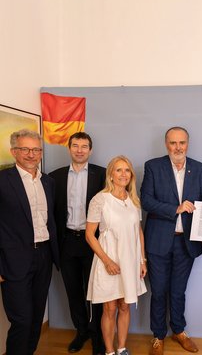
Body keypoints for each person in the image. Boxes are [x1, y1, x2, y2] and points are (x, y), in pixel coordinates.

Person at [141, 126, 202, 355]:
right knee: (159, 291)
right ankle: (158, 335)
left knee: (178, 291)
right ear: (166, 145)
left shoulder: (201, 170)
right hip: (158, 241)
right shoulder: (153, 166)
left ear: (187, 144)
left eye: (181, 143)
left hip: (187, 242)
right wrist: (176, 208)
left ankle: (179, 330)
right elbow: (146, 201)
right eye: (173, 143)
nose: (178, 147)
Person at [0, 129, 59, 354]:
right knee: (22, 320)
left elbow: (50, 220)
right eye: (25, 149)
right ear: (14, 151)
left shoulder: (48, 182)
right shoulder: (3, 180)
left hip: (43, 255)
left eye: (36, 149)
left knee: (36, 317)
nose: (31, 154)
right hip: (14, 260)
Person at [49, 132, 106, 354]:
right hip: (67, 242)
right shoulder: (55, 177)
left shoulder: (101, 174)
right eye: (75, 146)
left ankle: (97, 335)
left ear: (90, 150)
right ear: (69, 148)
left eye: (84, 146)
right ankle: (81, 331)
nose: (80, 150)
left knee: (95, 292)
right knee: (73, 291)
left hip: (93, 242)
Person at [85, 155, 147, 355]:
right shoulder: (100, 199)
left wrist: (142, 260)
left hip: (130, 261)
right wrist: (107, 261)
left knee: (125, 306)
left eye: (127, 170)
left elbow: (138, 232)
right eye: (118, 170)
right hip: (108, 260)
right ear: (110, 174)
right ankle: (109, 351)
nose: (123, 174)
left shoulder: (133, 200)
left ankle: (121, 348)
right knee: (109, 308)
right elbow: (89, 235)